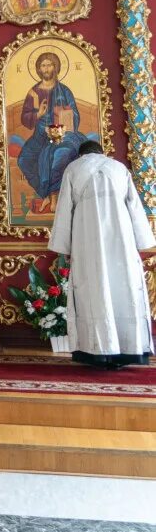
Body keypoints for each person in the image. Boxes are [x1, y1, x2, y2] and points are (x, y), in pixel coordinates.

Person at [49, 141, 155, 369]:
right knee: (123, 289)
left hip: (87, 240)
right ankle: (130, 350)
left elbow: (65, 209)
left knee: (93, 292)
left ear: (81, 154)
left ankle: (97, 351)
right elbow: (135, 207)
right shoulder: (119, 168)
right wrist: (142, 242)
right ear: (101, 152)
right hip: (121, 240)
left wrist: (64, 248)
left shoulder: (73, 169)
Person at [17, 51, 87, 214]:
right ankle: (47, 193)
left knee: (59, 153)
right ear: (38, 69)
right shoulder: (33, 92)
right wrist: (38, 114)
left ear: (56, 67)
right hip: (40, 135)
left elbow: (75, 114)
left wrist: (66, 120)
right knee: (24, 159)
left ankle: (57, 197)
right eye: (43, 65)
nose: (46, 68)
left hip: (63, 134)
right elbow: (24, 117)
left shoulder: (64, 91)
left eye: (49, 64)